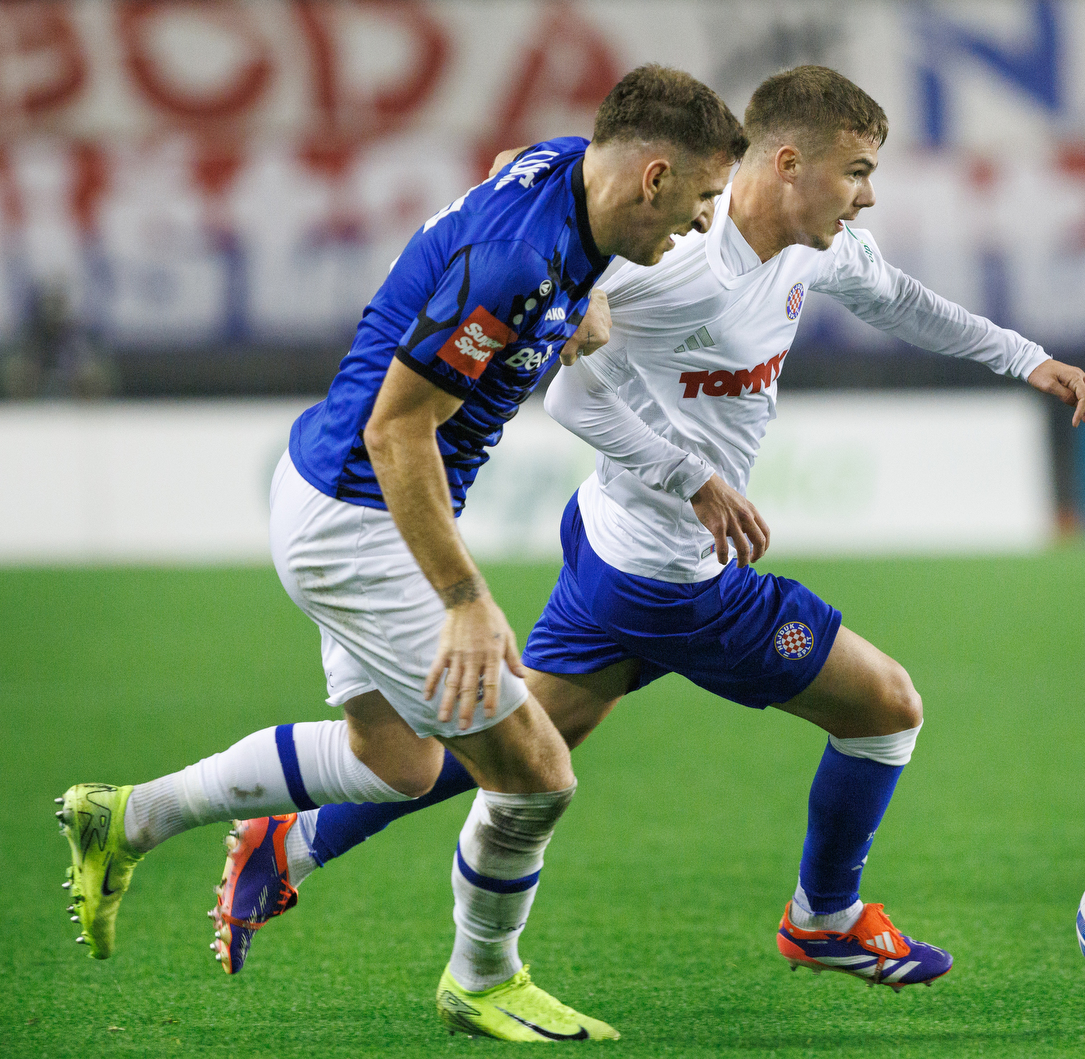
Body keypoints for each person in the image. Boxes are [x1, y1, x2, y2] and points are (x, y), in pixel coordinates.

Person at [220, 66, 1085, 992]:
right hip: (672, 575)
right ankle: (826, 920)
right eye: (856, 170)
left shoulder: (817, 247)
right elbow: (567, 387)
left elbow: (904, 301)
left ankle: (292, 847)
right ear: (788, 163)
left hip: (610, 546)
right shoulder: (671, 249)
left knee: (509, 743)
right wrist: (692, 478)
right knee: (886, 708)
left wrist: (1027, 359)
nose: (868, 193)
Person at [55, 64, 747, 1044]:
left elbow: (513, 164)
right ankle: (483, 980)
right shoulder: (517, 267)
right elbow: (397, 432)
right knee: (537, 772)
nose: (704, 224)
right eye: (703, 200)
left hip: (326, 489)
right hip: (358, 513)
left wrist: (579, 310)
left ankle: (130, 817)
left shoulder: (562, 174)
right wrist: (464, 596)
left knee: (399, 761)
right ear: (654, 176)